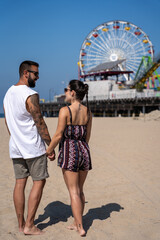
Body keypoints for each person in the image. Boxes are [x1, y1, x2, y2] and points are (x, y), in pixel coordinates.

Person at [3, 60, 55, 235]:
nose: (38, 77)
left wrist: (16, 138)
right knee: (39, 182)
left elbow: (7, 122)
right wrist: (50, 145)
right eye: (36, 74)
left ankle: (20, 224)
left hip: (16, 147)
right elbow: (39, 122)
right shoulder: (30, 94)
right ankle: (30, 225)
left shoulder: (7, 93)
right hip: (32, 147)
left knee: (19, 183)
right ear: (26, 73)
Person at [46, 79, 92, 237]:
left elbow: (58, 135)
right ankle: (76, 222)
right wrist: (81, 148)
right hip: (84, 151)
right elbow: (87, 137)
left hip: (70, 151)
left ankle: (80, 227)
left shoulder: (65, 111)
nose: (64, 92)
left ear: (72, 92)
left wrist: (49, 150)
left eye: (66, 90)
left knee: (73, 191)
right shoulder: (88, 111)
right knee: (80, 190)